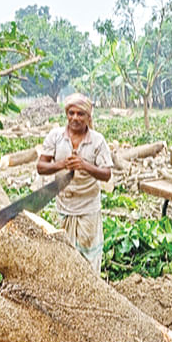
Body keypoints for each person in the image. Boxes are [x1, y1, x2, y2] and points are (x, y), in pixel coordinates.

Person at [38, 93, 113, 274]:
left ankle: (91, 289)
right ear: (66, 114)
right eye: (71, 113)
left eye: (80, 114)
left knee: (89, 254)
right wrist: (61, 164)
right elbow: (41, 166)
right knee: (65, 254)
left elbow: (107, 174)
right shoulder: (56, 137)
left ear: (88, 117)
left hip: (88, 207)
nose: (75, 118)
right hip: (65, 205)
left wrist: (84, 166)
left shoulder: (97, 140)